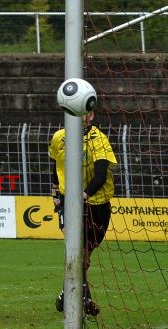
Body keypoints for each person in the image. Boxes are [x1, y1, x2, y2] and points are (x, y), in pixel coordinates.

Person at [50, 111, 117, 316]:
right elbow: (55, 165)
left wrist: (85, 194)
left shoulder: (99, 140)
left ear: (91, 116)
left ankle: (65, 295)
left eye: (84, 113)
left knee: (84, 258)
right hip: (67, 202)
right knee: (77, 251)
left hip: (97, 205)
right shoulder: (59, 137)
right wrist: (55, 192)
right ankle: (84, 298)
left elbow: (100, 173)